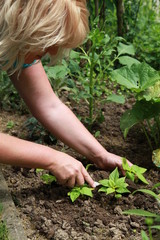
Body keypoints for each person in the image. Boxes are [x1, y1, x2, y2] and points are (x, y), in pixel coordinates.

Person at [0, 0, 132, 188]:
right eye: (50, 38)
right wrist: (51, 158)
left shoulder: (16, 39)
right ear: (23, 19)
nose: (53, 51)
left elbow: (48, 105)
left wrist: (100, 155)